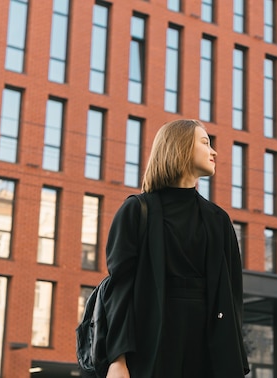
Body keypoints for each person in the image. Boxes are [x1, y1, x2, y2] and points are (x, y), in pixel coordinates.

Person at [102, 119, 249, 378]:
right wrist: (117, 359)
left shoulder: (218, 220)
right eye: (205, 142)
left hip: (208, 350)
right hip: (151, 347)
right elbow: (119, 290)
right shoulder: (136, 211)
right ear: (179, 147)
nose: (214, 152)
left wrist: (234, 362)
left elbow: (232, 296)